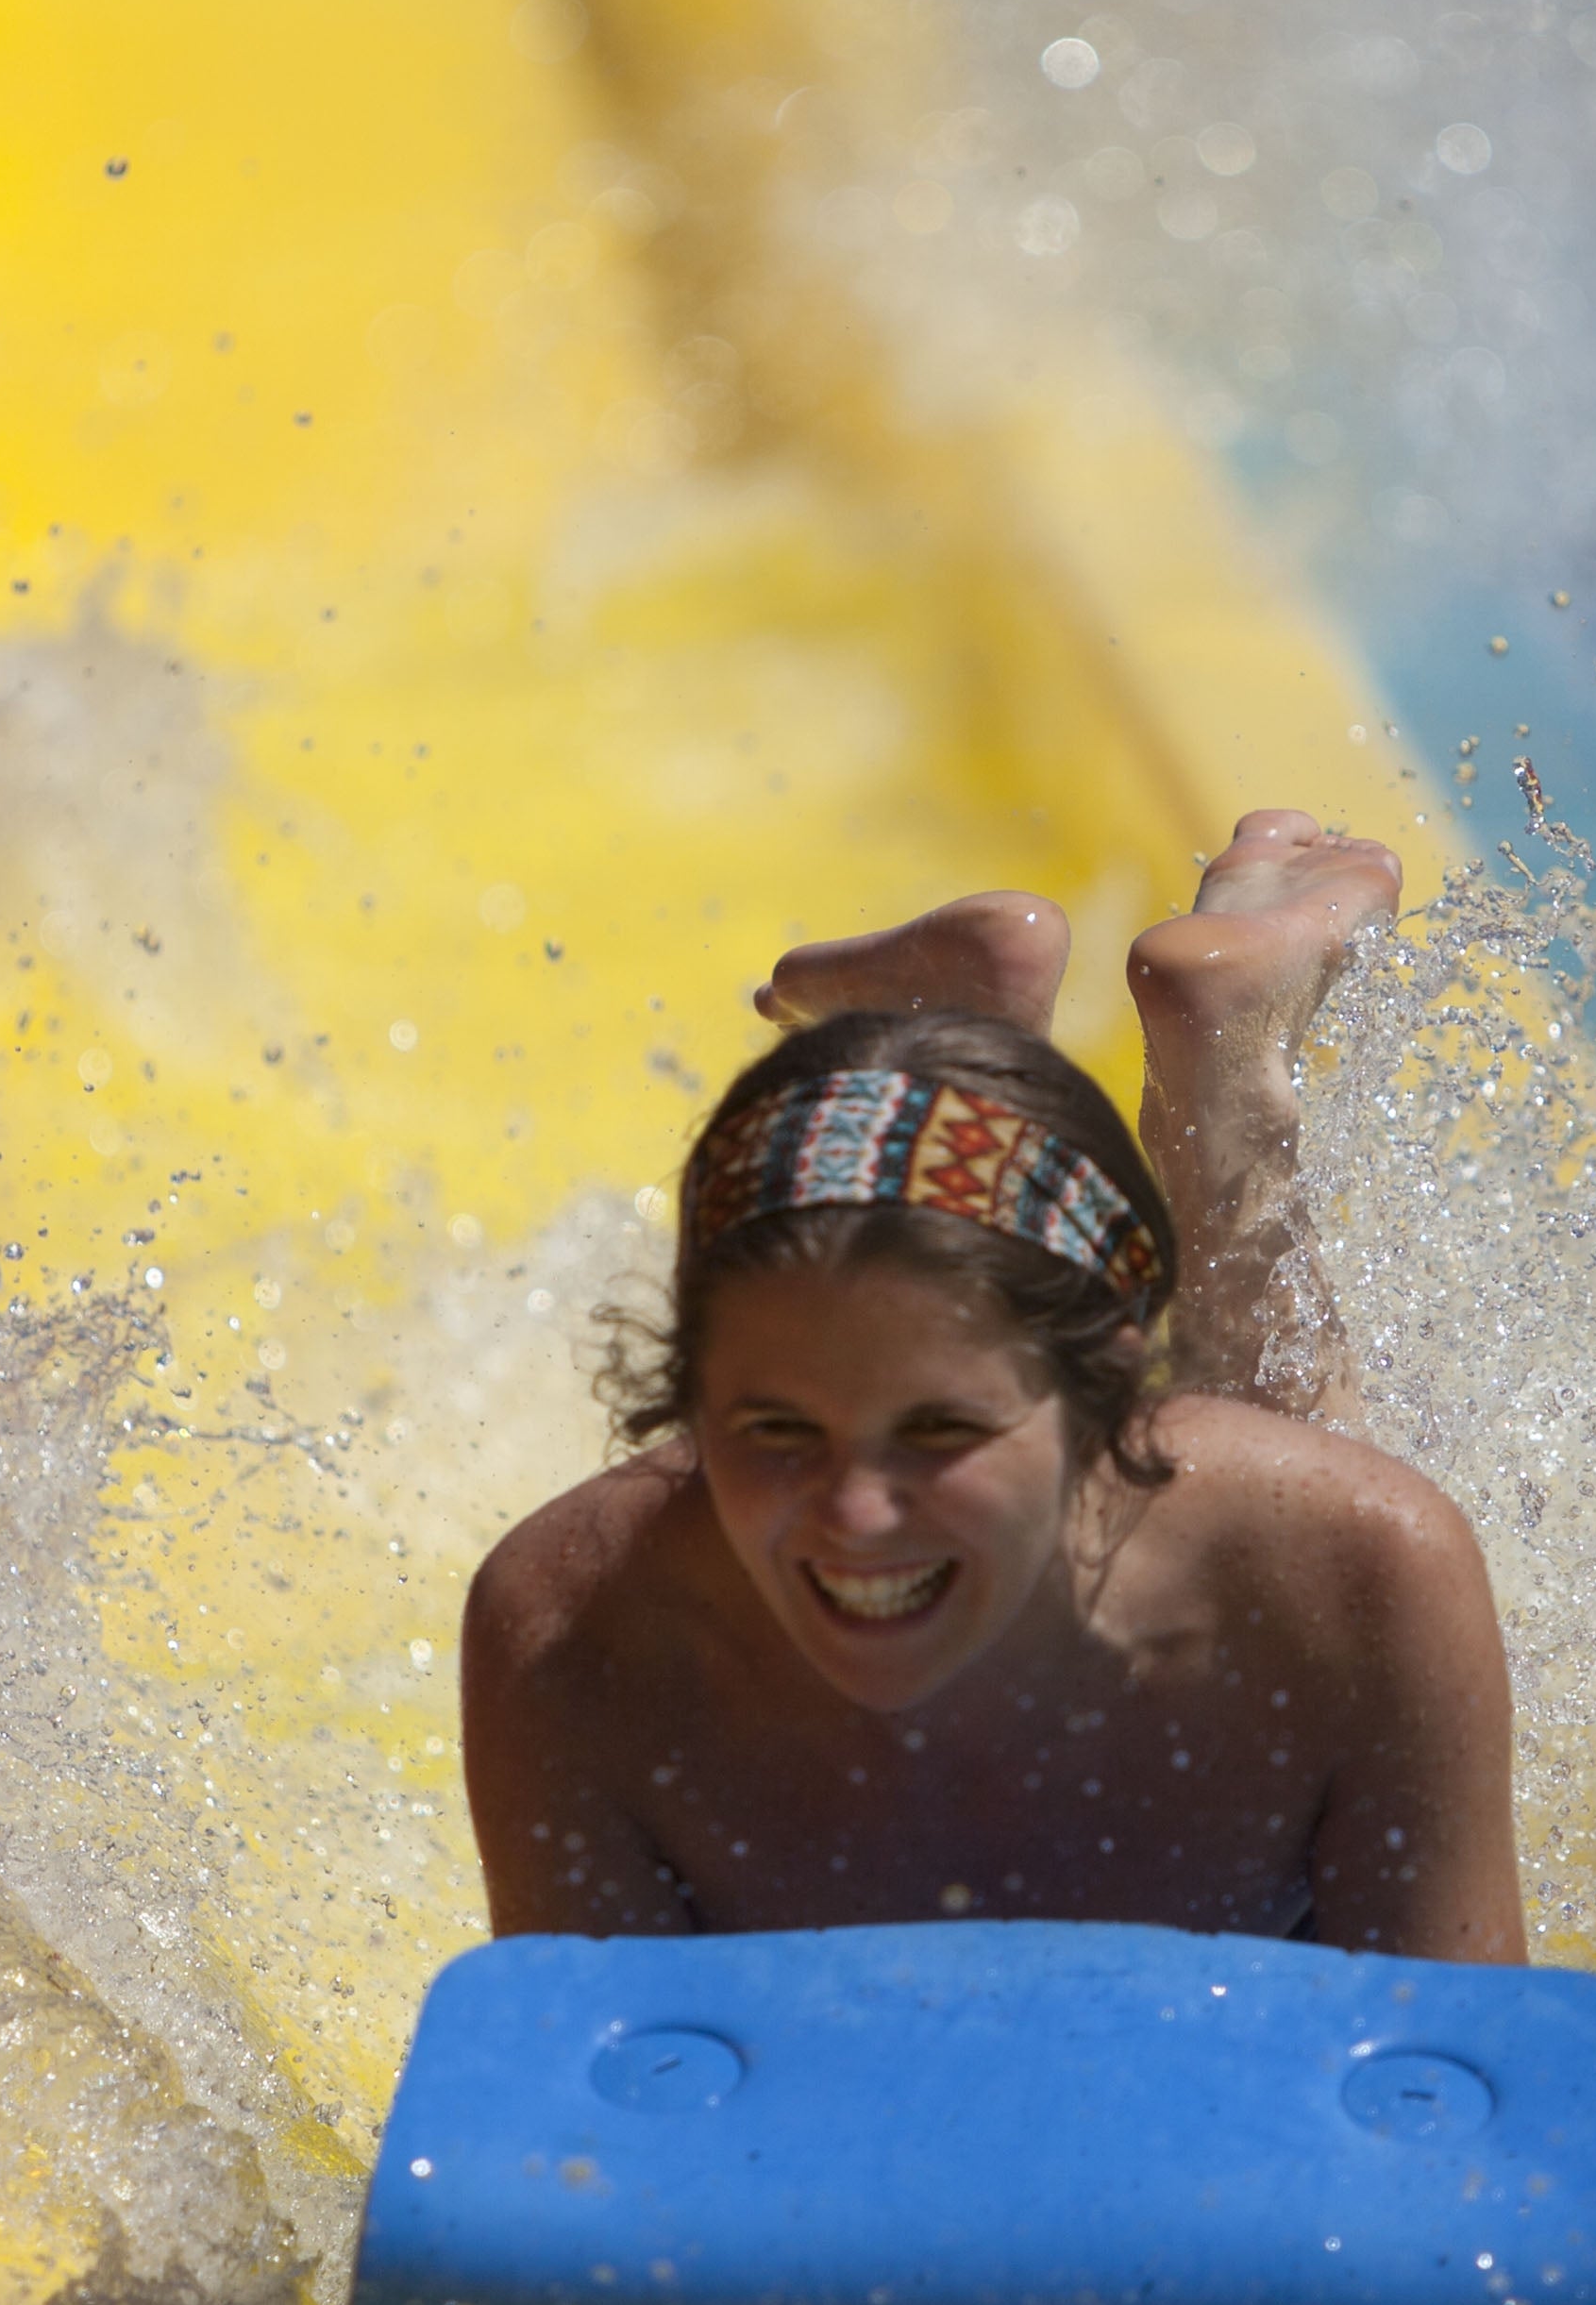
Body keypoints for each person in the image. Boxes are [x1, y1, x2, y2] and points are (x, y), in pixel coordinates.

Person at [459, 812, 1525, 1961]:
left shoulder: (1361, 1567)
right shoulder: (574, 1634)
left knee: (1288, 1447)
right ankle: (973, 1039)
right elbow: (587, 2121)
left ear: (1110, 1383)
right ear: (690, 1399)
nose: (855, 1512)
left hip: (1228, 1523)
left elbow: (1458, 2095)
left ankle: (1227, 1075)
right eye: (774, 1428)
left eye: (938, 1430)